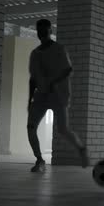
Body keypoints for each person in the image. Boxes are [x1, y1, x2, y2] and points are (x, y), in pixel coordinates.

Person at [26, 19, 88, 172]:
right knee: (30, 127)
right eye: (39, 31)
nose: (42, 34)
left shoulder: (59, 49)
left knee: (62, 129)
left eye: (44, 31)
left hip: (58, 95)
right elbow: (33, 78)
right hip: (40, 96)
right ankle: (39, 160)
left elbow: (68, 70)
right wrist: (30, 99)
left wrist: (53, 82)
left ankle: (81, 148)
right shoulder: (34, 54)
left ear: (50, 31)